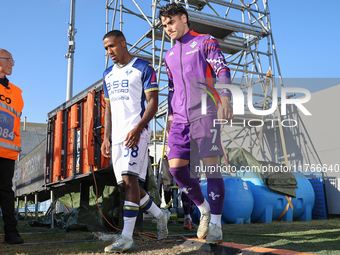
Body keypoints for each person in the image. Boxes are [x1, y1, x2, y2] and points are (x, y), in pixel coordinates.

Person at [159, 3, 233, 244]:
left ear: (183, 18)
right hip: (180, 118)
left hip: (205, 113)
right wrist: (170, 118)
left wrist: (225, 98)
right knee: (176, 169)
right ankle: (203, 209)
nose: (168, 28)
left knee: (212, 169)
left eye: (171, 22)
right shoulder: (169, 55)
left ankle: (216, 225)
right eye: (164, 25)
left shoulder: (205, 41)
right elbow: (171, 90)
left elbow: (222, 70)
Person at [100, 30, 170, 253]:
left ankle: (126, 237)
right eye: (105, 48)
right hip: (117, 136)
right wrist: (106, 138)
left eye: (111, 46)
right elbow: (108, 109)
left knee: (131, 182)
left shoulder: (143, 67)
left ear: (123, 43)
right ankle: (161, 216)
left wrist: (139, 128)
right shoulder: (107, 74)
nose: (109, 52)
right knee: (125, 186)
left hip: (137, 132)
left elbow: (153, 103)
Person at [0, 49, 24, 244]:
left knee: (6, 192)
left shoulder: (16, 93)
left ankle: (11, 232)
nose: (13, 64)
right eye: (9, 60)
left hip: (7, 152)